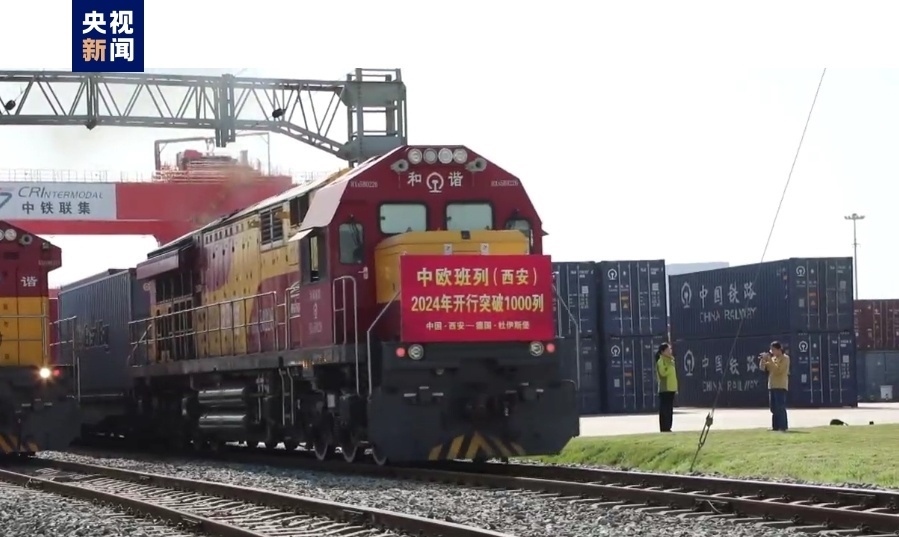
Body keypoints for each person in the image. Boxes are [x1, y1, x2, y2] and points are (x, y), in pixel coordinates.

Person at [759, 341, 790, 432]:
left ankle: (783, 426)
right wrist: (763, 359)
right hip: (772, 385)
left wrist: (769, 360)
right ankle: (775, 426)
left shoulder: (785, 358)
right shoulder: (773, 359)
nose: (771, 351)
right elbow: (762, 368)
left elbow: (778, 370)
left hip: (780, 385)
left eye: (773, 349)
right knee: (773, 408)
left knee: (780, 407)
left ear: (779, 349)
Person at [655, 342, 678, 433]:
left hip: (671, 388)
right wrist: (669, 365)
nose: (670, 351)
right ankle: (664, 428)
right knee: (664, 409)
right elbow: (662, 373)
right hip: (665, 389)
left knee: (669, 409)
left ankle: (668, 427)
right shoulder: (661, 361)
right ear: (662, 351)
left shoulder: (671, 361)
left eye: (670, 349)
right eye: (668, 350)